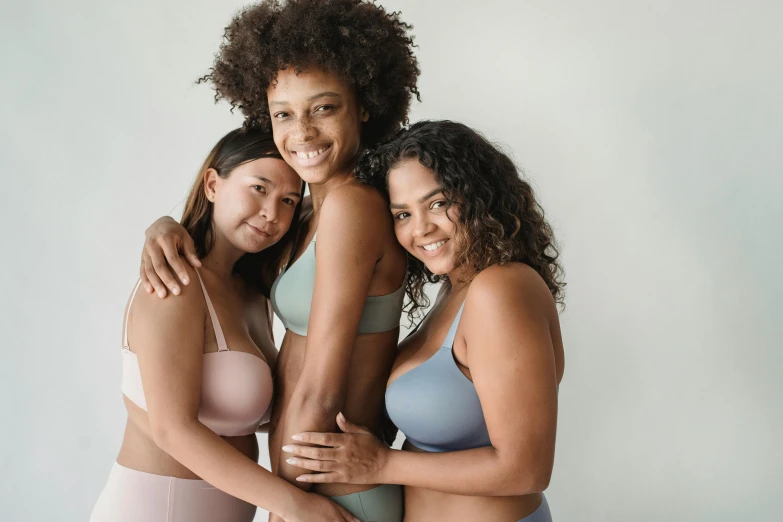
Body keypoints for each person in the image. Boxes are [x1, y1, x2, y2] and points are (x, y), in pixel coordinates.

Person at [137, 1, 420, 520]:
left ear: (364, 105)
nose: (303, 132)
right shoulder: (310, 212)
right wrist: (165, 226)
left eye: (324, 107)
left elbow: (322, 385)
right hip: (314, 487)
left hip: (328, 491)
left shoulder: (354, 207)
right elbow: (232, 255)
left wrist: (288, 505)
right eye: (283, 114)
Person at [281, 120, 566, 522]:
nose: (421, 229)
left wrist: (382, 465)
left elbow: (526, 469)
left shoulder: (502, 289)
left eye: (437, 203)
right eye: (402, 214)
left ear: (479, 196)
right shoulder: (456, 292)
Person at [91, 127, 361, 522]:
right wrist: (295, 504)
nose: (272, 213)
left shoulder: (254, 295)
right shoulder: (175, 281)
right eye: (258, 188)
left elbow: (334, 207)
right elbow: (172, 429)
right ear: (213, 184)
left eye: (288, 200)